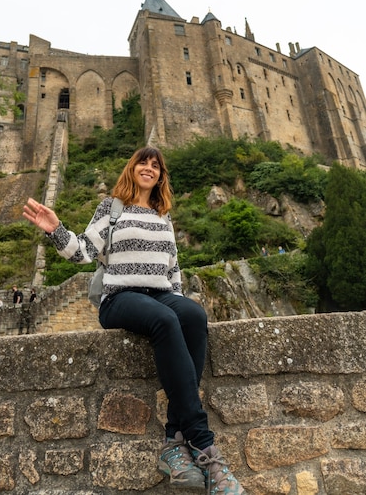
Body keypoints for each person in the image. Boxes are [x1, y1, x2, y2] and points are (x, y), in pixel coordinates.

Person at [23, 146, 246, 494]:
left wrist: (179, 299)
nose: (149, 168)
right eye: (143, 162)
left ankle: (174, 440)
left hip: (159, 293)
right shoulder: (112, 209)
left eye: (156, 165)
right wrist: (55, 230)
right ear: (132, 168)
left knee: (192, 316)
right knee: (166, 321)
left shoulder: (163, 215)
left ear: (161, 176)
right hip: (120, 297)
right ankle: (205, 449)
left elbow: (172, 269)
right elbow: (83, 252)